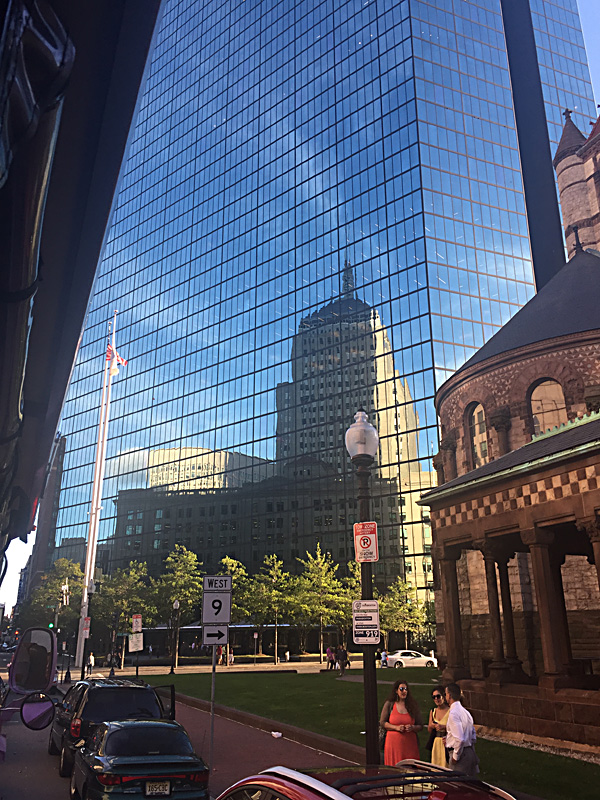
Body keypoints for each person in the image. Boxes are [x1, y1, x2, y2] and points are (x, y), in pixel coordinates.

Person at [380, 679, 423, 765]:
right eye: (401, 689)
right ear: (396, 691)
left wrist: (413, 727)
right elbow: (382, 722)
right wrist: (396, 727)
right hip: (393, 744)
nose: (404, 692)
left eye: (406, 689)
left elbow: (420, 725)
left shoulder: (412, 705)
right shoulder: (390, 704)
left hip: (410, 744)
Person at [444, 683, 479, 776]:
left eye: (446, 694)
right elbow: (473, 736)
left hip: (461, 755)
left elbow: (460, 738)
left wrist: (455, 757)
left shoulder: (454, 714)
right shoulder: (466, 712)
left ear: (449, 695)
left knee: (457, 784)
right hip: (469, 751)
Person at [427, 685, 450, 767]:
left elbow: (455, 728)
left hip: (446, 742)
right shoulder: (433, 711)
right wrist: (432, 726)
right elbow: (429, 729)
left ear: (443, 696)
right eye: (434, 697)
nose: (436, 699)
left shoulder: (450, 711)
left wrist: (443, 726)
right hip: (436, 742)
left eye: (438, 696)